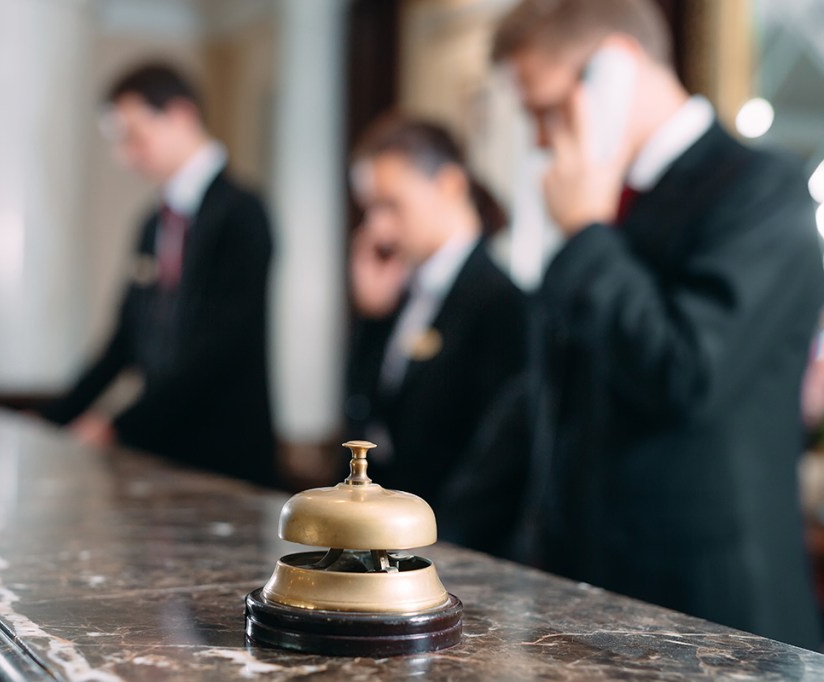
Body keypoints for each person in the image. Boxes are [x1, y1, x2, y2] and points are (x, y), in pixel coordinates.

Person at [492, 0, 824, 648]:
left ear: (614, 70)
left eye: (546, 110)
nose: (538, 140)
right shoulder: (598, 200)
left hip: (711, 620)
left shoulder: (762, 191)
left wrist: (586, 233)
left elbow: (686, 373)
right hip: (587, 600)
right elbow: (546, 400)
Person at [42, 63, 276, 488]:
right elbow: (126, 339)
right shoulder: (153, 222)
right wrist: (55, 418)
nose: (125, 155)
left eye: (134, 136)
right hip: (158, 452)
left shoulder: (242, 213)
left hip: (224, 456)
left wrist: (118, 425)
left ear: (181, 115)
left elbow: (220, 347)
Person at [345, 115, 529, 556]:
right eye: (369, 209)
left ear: (449, 185)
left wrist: (434, 547)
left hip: (449, 552)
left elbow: (495, 462)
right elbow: (367, 418)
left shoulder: (503, 302)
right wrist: (369, 318)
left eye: (391, 205)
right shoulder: (399, 293)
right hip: (385, 544)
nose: (378, 229)